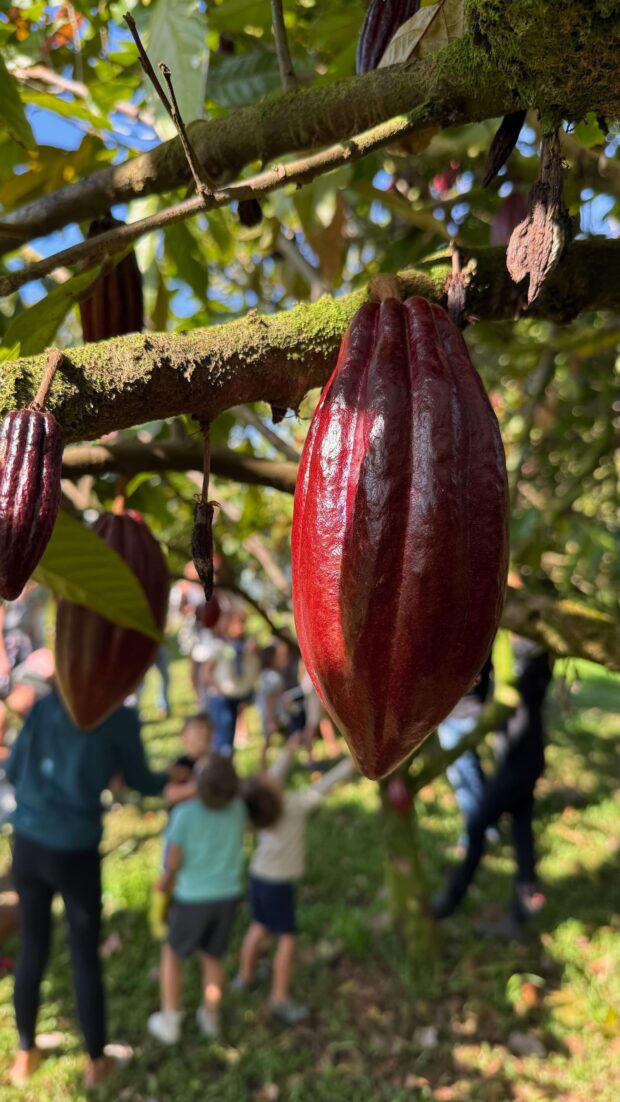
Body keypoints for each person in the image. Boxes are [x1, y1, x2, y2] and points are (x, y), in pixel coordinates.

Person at [5, 688, 185, 1088]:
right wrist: (171, 776)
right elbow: (141, 780)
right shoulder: (116, 718)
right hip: (75, 851)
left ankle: (24, 1052)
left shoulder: (49, 703)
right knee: (84, 953)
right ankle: (96, 1062)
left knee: (33, 946)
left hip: (28, 844)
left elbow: (15, 768)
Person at [147, 754, 277, 1044]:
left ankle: (170, 1019)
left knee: (172, 954)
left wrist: (164, 885)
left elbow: (174, 862)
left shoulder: (184, 815)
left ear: (198, 785)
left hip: (192, 897)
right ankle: (211, 1015)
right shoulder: (238, 810)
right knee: (212, 956)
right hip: (227, 896)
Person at [431, 639, 553, 937]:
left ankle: (452, 898)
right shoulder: (531, 656)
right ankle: (525, 900)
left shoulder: (528, 657)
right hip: (521, 757)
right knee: (521, 826)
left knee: (477, 825)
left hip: (518, 762)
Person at [235, 742, 355, 1024]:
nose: (273, 776)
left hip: (258, 876)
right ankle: (279, 997)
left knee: (258, 926)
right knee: (286, 939)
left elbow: (273, 777)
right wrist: (351, 764)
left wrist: (289, 749)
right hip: (278, 885)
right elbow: (323, 785)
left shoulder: (261, 813)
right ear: (273, 793)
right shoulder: (293, 807)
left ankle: (244, 977)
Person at [437, 657, 499, 849]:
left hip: (460, 714)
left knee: (463, 775)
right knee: (471, 769)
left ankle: (473, 833)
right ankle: (488, 824)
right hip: (461, 713)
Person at [200, 607, 259, 756]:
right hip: (222, 699)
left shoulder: (241, 646)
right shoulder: (219, 646)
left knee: (229, 739)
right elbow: (205, 672)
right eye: (238, 623)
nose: (241, 627)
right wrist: (218, 691)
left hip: (234, 697)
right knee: (223, 739)